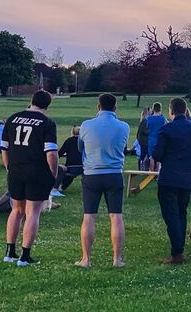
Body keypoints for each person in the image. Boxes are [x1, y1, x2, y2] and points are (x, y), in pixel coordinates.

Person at [153, 97, 191, 264]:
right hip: (186, 179)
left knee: (170, 215)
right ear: (186, 111)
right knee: (181, 213)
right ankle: (178, 249)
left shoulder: (167, 129)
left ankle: (177, 252)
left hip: (168, 178)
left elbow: (157, 154)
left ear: (171, 111)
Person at [2, 90, 58, 266]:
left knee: (16, 210)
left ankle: (10, 252)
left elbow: (4, 147)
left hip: (15, 168)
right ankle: (25, 256)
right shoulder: (47, 123)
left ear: (31, 100)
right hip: (36, 170)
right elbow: (51, 153)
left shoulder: (13, 118)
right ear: (48, 105)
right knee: (32, 212)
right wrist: (53, 174)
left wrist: (8, 167)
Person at [76, 93, 129, 268]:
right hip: (114, 173)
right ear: (115, 108)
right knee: (116, 216)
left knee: (89, 217)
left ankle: (86, 259)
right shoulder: (124, 127)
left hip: (92, 174)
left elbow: (80, 147)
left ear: (98, 107)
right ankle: (117, 259)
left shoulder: (86, 125)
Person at [51, 126, 83, 195]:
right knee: (69, 175)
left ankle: (58, 188)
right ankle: (61, 188)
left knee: (64, 170)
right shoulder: (84, 142)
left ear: (72, 132)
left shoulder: (69, 141)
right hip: (83, 167)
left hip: (71, 167)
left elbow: (60, 153)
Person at [146, 102, 168, 171]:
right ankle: (157, 172)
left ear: (153, 109)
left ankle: (151, 172)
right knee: (159, 157)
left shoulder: (149, 119)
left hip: (151, 139)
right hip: (160, 139)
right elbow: (167, 126)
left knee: (151, 157)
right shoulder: (163, 119)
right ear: (160, 109)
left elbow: (147, 128)